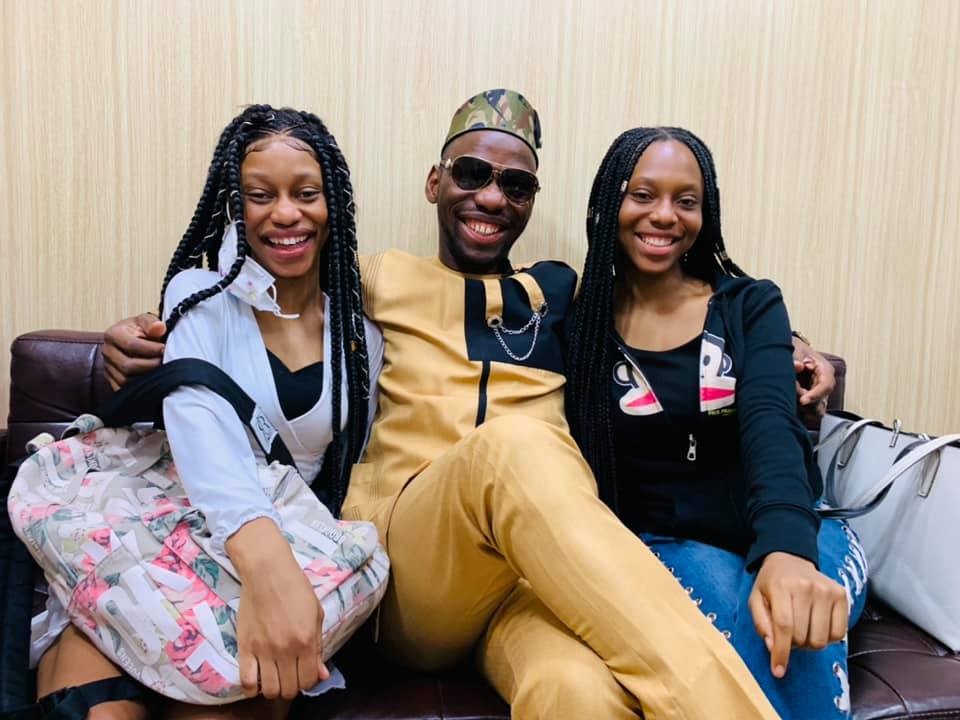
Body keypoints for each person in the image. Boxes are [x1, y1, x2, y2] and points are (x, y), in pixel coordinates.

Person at [104, 90, 836, 719]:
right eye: (473, 174)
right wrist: (144, 333)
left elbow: (679, 312)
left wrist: (790, 348)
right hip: (415, 567)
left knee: (574, 689)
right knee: (515, 447)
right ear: (436, 182)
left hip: (532, 579)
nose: (491, 196)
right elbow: (266, 283)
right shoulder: (374, 280)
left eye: (515, 185)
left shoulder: (567, 294)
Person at [26, 106, 385, 720]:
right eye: (261, 195)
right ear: (235, 206)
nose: (286, 214)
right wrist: (268, 568)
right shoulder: (200, 295)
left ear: (334, 205)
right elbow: (201, 432)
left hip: (267, 570)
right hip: (162, 548)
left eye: (306, 194)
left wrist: (284, 579)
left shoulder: (359, 340)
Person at [564, 127, 867, 718]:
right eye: (642, 194)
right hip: (670, 544)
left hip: (800, 523)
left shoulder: (750, 306)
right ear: (607, 203)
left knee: (796, 612)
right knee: (756, 624)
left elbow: (771, 423)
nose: (664, 215)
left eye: (686, 200)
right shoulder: (581, 329)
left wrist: (788, 549)